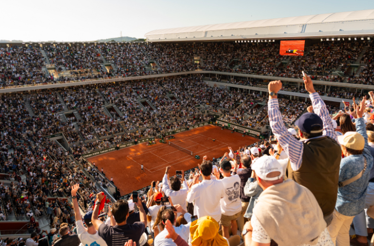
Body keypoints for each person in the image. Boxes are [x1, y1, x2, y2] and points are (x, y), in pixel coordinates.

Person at [267, 77, 341, 225]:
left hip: (303, 216)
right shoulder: (334, 141)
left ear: (300, 134)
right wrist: (312, 92)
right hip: (328, 210)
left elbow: (277, 128)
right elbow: (325, 117)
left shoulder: (299, 150)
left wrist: (272, 95)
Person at [243, 156, 333, 246]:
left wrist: (247, 231)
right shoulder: (304, 190)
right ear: (281, 174)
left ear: (258, 179)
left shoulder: (261, 211)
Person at [328, 97, 373, 246]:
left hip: (341, 206)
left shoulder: (345, 163)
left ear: (345, 148)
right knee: (343, 233)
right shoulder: (367, 157)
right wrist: (359, 118)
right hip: (357, 205)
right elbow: (364, 139)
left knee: (330, 235)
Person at [219, 160, 241, 238]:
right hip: (237, 208)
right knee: (233, 221)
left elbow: (220, 196)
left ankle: (227, 243)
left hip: (227, 211)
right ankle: (235, 238)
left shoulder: (220, 182)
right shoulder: (237, 177)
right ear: (231, 168)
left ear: (221, 169)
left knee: (225, 228)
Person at [236, 155, 252, 232]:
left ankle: (243, 233)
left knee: (239, 215)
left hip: (244, 201)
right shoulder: (254, 171)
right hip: (254, 199)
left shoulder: (240, 174)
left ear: (242, 164)